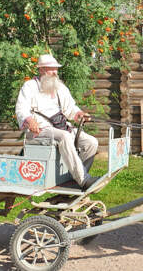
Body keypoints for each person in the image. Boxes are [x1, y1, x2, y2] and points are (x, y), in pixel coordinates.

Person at [15, 54, 99, 189]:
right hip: (40, 131)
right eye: (51, 69)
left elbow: (70, 108)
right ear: (41, 70)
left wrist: (80, 114)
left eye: (56, 69)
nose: (55, 72)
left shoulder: (60, 87)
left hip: (61, 127)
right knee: (64, 136)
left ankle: (74, 178)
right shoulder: (29, 86)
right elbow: (21, 109)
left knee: (91, 143)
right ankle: (83, 180)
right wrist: (29, 120)